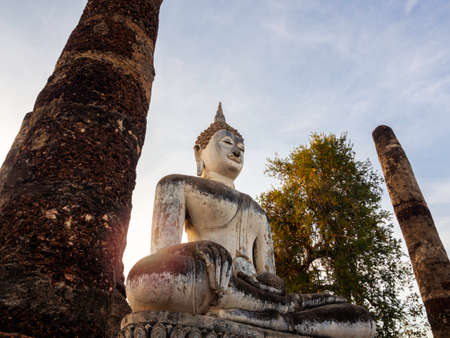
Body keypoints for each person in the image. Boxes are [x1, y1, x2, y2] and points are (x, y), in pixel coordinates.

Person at [126, 103, 376, 337]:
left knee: (360, 318)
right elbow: (161, 255)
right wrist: (197, 249)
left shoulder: (257, 211)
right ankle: (268, 317)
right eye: (226, 142)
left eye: (242, 149)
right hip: (209, 282)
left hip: (257, 296)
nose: (236, 151)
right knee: (151, 281)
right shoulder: (177, 184)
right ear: (199, 151)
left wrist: (270, 284)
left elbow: (269, 276)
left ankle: (278, 322)